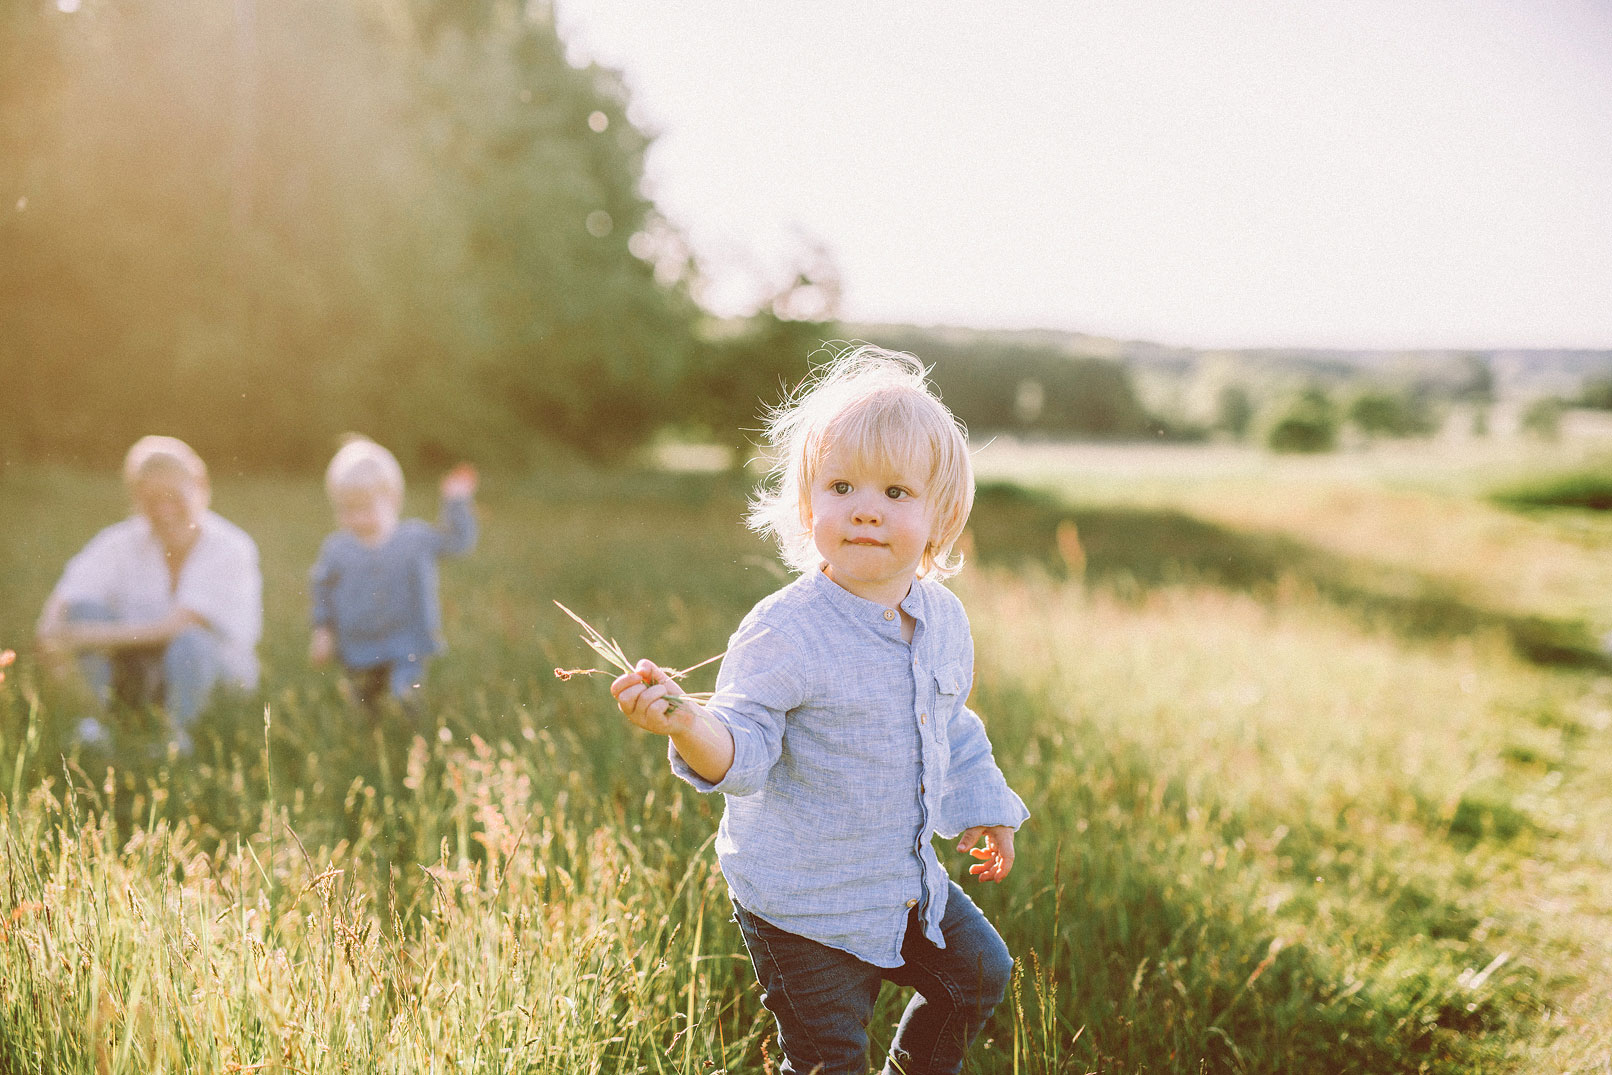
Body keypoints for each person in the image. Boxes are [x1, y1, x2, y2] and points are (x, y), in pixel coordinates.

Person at [611, 346, 1029, 1075]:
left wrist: (985, 806)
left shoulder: (942, 618)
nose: (866, 506)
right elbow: (743, 747)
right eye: (842, 485)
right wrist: (686, 721)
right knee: (828, 1059)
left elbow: (951, 724)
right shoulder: (787, 629)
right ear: (810, 508)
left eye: (897, 492)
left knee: (978, 973)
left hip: (901, 883)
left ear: (940, 517)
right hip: (800, 905)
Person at [35, 436, 263, 754]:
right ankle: (102, 722)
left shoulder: (232, 548)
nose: (165, 510)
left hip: (211, 678)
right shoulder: (120, 542)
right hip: (142, 672)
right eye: (152, 500)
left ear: (201, 486)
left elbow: (177, 627)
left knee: (192, 640)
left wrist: (85, 636)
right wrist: (52, 635)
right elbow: (67, 594)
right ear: (136, 500)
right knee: (84, 607)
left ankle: (178, 735)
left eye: (174, 496)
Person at [309, 436, 478, 713]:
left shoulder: (414, 538)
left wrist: (456, 502)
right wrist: (322, 631)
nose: (358, 518)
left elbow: (458, 543)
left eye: (366, 509)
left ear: (392, 500)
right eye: (348, 510)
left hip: (407, 642)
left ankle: (414, 739)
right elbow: (322, 591)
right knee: (365, 704)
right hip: (357, 646)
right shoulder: (337, 549)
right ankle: (371, 743)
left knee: (405, 694)